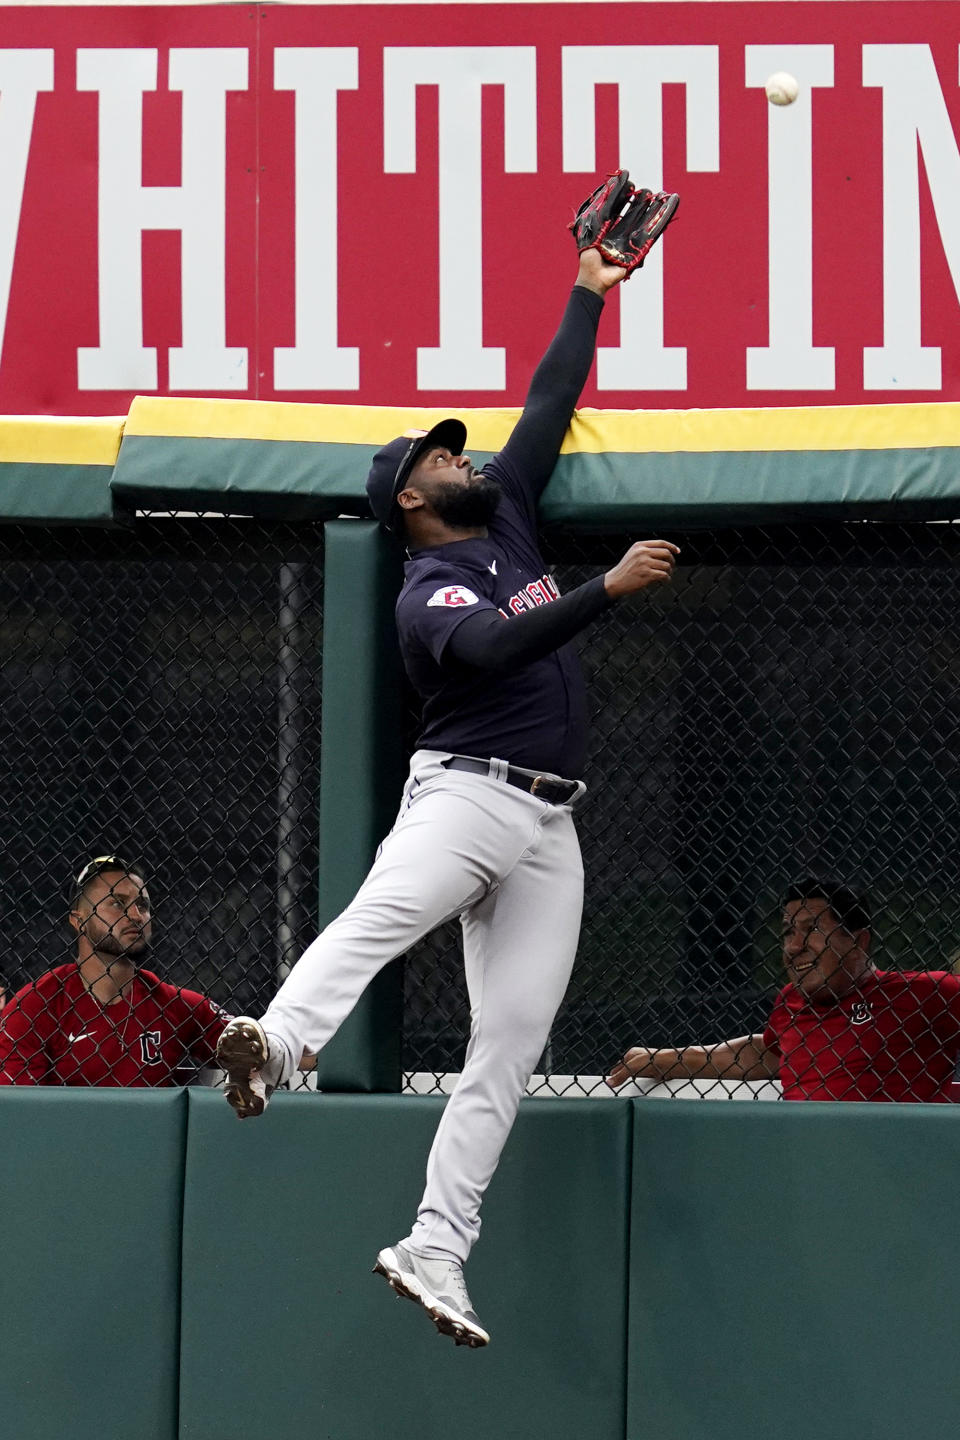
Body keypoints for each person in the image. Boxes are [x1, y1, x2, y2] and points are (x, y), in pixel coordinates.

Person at [216, 181, 681, 1348]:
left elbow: (548, 398)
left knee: (510, 1045)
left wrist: (586, 293)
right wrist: (602, 590)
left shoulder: (507, 510)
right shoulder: (428, 593)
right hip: (467, 794)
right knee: (378, 916)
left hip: (551, 831)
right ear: (412, 500)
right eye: (439, 456)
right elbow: (489, 642)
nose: (461, 455)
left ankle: (435, 1244)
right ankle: (277, 1041)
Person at [607, 878, 960, 1103]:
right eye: (789, 932)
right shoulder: (791, 1003)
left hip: (900, 1174)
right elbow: (769, 1052)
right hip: (805, 1171)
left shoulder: (925, 995)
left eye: (811, 929)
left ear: (858, 940)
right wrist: (665, 1058)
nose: (794, 946)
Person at [0, 855, 231, 1086]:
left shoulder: (173, 1005)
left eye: (142, 905)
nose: (135, 915)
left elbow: (254, 1047)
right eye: (117, 903)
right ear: (78, 920)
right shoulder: (35, 1007)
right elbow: (18, 1112)